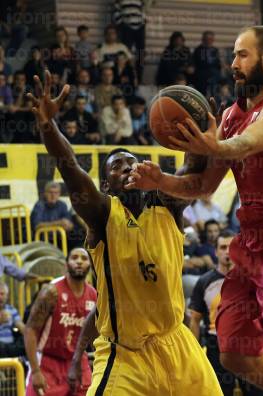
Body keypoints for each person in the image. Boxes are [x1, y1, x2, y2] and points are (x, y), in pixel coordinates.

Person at [127, 25, 263, 396]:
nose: (232, 63)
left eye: (241, 55)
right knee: (233, 351)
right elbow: (203, 186)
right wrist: (159, 181)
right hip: (250, 240)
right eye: (233, 55)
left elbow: (248, 144)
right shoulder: (231, 115)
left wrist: (213, 145)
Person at [28, 69, 222, 395]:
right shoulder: (103, 214)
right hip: (126, 354)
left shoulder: (168, 204)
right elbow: (69, 165)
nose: (128, 167)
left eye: (133, 162)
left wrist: (199, 129)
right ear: (106, 184)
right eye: (118, 166)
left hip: (177, 344)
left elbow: (193, 167)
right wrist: (48, 126)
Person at [190, 230, 263, 396]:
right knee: (220, 392)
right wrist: (195, 353)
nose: (227, 251)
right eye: (223, 247)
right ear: (216, 251)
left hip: (249, 343)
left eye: (231, 247)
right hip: (216, 346)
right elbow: (195, 319)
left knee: (257, 392)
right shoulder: (204, 282)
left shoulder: (253, 278)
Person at [24, 248, 97, 396]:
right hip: (48, 361)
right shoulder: (51, 292)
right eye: (74, 258)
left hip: (78, 361)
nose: (79, 261)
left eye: (84, 258)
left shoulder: (93, 295)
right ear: (66, 265)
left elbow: (97, 334)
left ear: (90, 265)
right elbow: (30, 329)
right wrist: (36, 371)